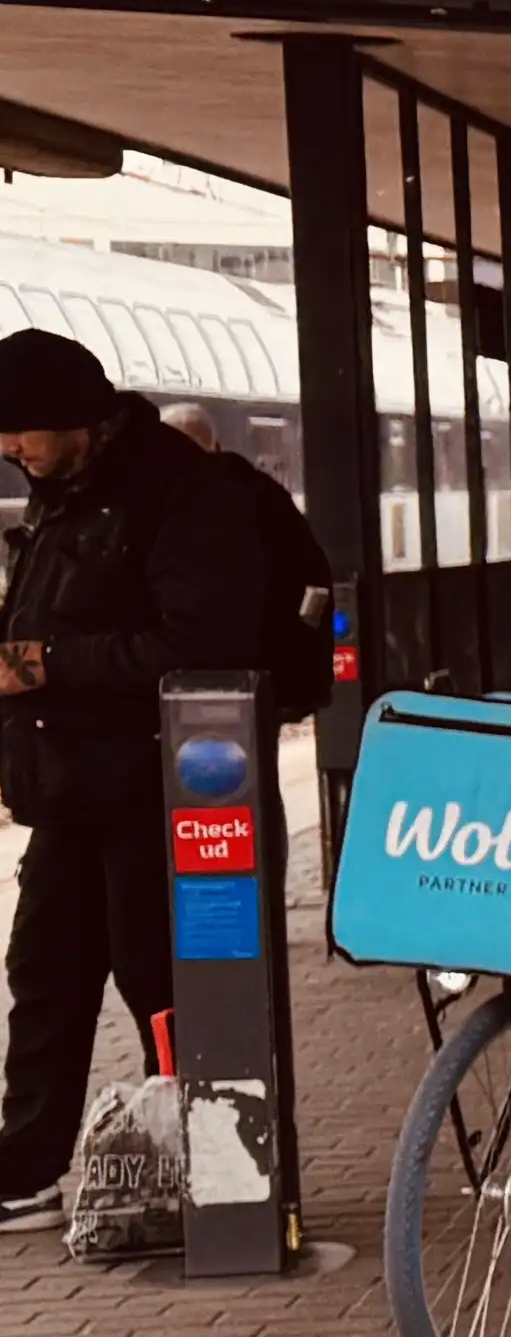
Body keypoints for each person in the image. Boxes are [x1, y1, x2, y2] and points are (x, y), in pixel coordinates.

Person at [0, 331, 294, 1224]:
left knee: (158, 976)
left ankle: (208, 1167)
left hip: (157, 787)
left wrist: (51, 662)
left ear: (80, 419)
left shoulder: (178, 495)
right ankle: (30, 1165)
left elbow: (201, 646)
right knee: (44, 968)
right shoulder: (61, 494)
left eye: (22, 433)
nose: (11, 452)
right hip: (70, 786)